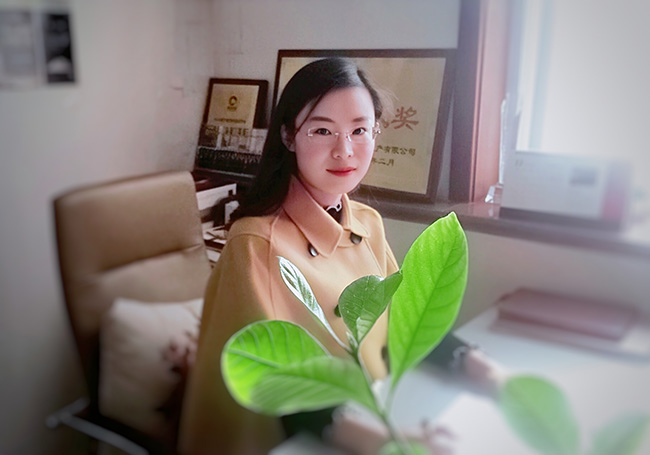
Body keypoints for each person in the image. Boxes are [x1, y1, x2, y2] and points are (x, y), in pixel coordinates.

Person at [177, 57, 399, 455]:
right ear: (288, 136)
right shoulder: (255, 243)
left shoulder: (368, 222)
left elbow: (404, 318)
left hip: (376, 407)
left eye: (359, 130)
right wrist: (379, 439)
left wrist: (479, 366)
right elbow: (271, 381)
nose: (344, 151)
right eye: (322, 130)